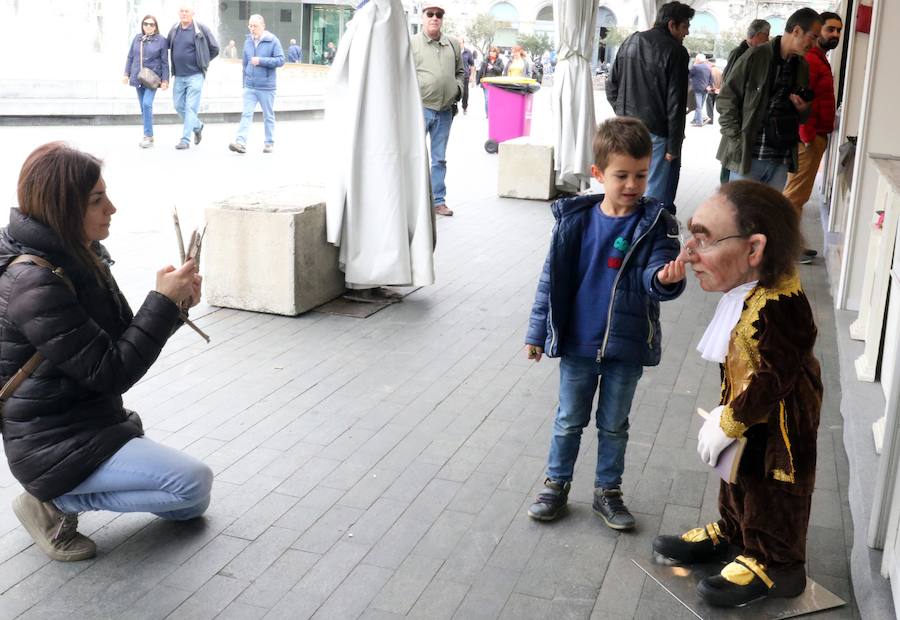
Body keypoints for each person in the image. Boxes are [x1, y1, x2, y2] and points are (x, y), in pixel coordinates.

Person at [1, 142, 212, 562]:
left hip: (91, 422)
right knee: (192, 484)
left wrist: (173, 305)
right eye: (97, 200)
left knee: (190, 506)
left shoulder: (79, 253)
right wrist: (161, 303)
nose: (111, 208)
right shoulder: (34, 282)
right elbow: (111, 370)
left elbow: (118, 339)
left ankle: (68, 493)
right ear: (63, 207)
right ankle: (53, 503)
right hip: (50, 446)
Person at [652, 181, 823, 608]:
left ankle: (778, 565)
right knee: (738, 476)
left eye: (705, 239)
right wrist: (730, 418)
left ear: (754, 249)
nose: (689, 252)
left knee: (773, 487)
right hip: (750, 417)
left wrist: (729, 421)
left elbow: (774, 377)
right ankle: (735, 534)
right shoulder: (747, 293)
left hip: (782, 427)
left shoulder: (782, 305)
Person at [524, 117, 686, 529]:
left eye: (641, 175)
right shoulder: (575, 222)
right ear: (598, 174)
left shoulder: (654, 224)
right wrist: (536, 333)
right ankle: (555, 485)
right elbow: (550, 282)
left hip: (626, 346)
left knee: (614, 425)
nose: (633, 185)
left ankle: (607, 492)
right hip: (579, 344)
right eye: (622, 176)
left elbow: (655, 275)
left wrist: (665, 278)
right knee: (568, 420)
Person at [716, 8, 822, 191]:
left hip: (781, 157)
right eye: (812, 37)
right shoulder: (755, 56)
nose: (814, 44)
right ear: (796, 31)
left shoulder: (802, 66)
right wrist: (736, 138)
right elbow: (726, 98)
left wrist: (804, 108)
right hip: (749, 155)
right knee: (739, 215)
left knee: (768, 217)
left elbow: (802, 117)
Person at [607, 1, 694, 215]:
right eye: (685, 26)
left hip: (626, 130)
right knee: (656, 193)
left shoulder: (630, 41)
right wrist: (673, 147)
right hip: (657, 134)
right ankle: (651, 238)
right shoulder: (676, 51)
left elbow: (611, 86)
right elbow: (676, 103)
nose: (687, 32)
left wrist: (623, 115)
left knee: (628, 183)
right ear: (672, 25)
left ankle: (626, 231)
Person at [783, 11, 843, 263]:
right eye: (830, 30)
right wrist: (806, 135)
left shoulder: (819, 59)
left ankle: (790, 245)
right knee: (794, 196)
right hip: (808, 138)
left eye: (839, 31)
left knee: (798, 195)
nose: (835, 35)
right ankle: (786, 249)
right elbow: (802, 100)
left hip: (816, 136)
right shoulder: (811, 59)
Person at [410, 1, 464, 218]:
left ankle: (438, 201)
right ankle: (414, 201)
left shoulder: (452, 43)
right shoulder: (412, 43)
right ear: (423, 17)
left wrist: (457, 90)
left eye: (439, 14)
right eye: (430, 14)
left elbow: (461, 71)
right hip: (420, 109)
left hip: (444, 111)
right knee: (414, 156)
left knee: (439, 159)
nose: (435, 18)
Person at [719, 19, 771, 183]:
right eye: (766, 35)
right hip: (737, 119)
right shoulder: (741, 52)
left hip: (743, 120)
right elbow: (728, 85)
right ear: (757, 35)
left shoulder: (756, 53)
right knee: (731, 163)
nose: (768, 40)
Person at [228, 14, 285, 155]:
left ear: (263, 26)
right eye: (250, 26)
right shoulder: (248, 41)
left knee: (268, 115)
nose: (252, 29)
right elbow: (245, 64)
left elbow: (281, 60)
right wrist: (244, 83)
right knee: (246, 114)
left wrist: (261, 60)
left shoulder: (273, 41)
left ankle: (269, 142)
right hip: (250, 86)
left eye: (255, 26)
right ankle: (240, 142)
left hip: (266, 86)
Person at [167, 5, 219, 150]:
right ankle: (197, 126)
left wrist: (203, 61)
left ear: (192, 13)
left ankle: (185, 140)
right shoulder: (174, 29)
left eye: (187, 11)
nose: (184, 14)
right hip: (179, 76)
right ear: (178, 13)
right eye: (181, 11)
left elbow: (215, 48)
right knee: (178, 106)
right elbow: (167, 46)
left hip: (195, 75)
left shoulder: (201, 28)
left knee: (190, 108)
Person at [123, 14, 169, 149]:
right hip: (138, 77)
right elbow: (130, 57)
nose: (148, 26)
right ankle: (149, 134)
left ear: (156, 26)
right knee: (143, 107)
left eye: (151, 24)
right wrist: (126, 73)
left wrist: (165, 79)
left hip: (152, 78)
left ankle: (148, 136)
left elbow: (165, 62)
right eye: (145, 24)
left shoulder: (161, 40)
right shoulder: (137, 39)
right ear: (142, 25)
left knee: (147, 104)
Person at [476, 46, 504, 118]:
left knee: (495, 100)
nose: (491, 53)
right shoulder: (485, 61)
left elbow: (501, 70)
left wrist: (493, 67)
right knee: (487, 99)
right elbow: (481, 71)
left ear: (496, 53)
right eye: (490, 51)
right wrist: (477, 81)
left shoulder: (500, 61)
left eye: (493, 52)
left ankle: (494, 112)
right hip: (486, 83)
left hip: (496, 84)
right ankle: (488, 114)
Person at [689, 53, 713, 127]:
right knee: (700, 106)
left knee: (698, 106)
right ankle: (695, 119)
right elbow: (711, 79)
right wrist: (708, 86)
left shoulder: (696, 67)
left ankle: (700, 121)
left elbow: (689, 75)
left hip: (697, 89)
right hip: (705, 89)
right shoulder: (708, 67)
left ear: (698, 60)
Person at [458, 37, 475, 114]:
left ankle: (464, 107)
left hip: (465, 76)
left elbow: (472, 65)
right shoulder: (454, 51)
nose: (459, 44)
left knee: (465, 93)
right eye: (457, 43)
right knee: (455, 92)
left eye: (460, 43)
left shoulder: (468, 52)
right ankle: (455, 108)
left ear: (463, 43)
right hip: (456, 75)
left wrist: (472, 76)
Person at [706, 57, 723, 125]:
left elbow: (708, 81)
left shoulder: (710, 70)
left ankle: (710, 120)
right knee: (718, 106)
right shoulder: (720, 71)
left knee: (710, 106)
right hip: (718, 90)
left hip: (711, 90)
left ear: (710, 63)